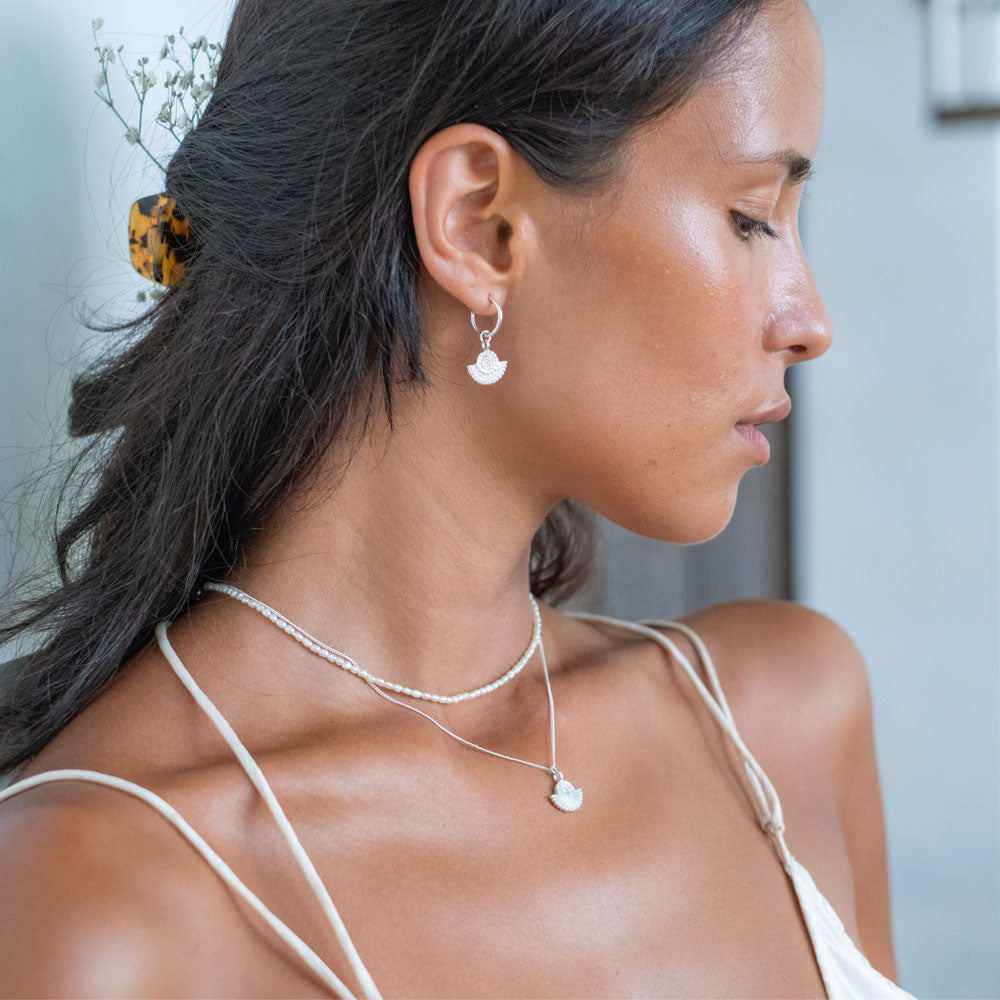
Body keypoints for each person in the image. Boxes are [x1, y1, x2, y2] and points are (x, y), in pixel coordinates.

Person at [0, 0, 915, 997]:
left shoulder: (781, 723)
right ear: (479, 225)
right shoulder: (99, 900)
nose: (808, 320)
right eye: (750, 218)